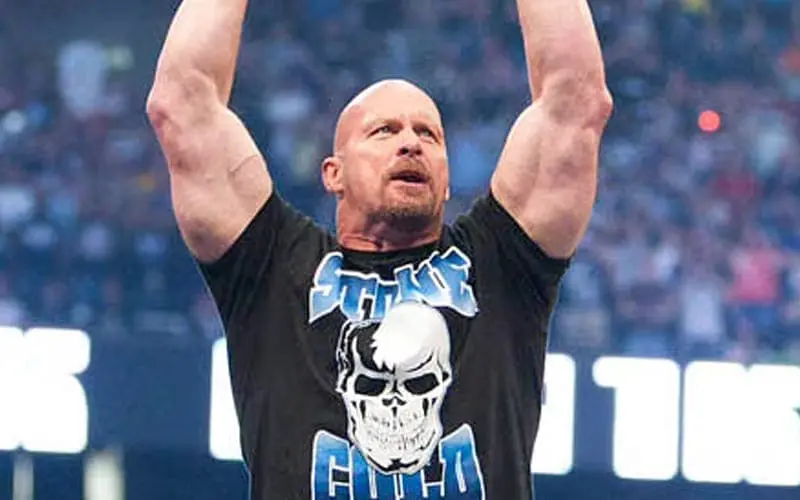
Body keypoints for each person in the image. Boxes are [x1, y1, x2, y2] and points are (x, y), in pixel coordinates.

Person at [146, 0, 611, 498]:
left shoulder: (501, 264)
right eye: (384, 131)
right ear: (334, 173)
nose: (411, 144)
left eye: (428, 134)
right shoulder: (273, 268)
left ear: (447, 180)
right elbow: (182, 106)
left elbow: (575, 101)